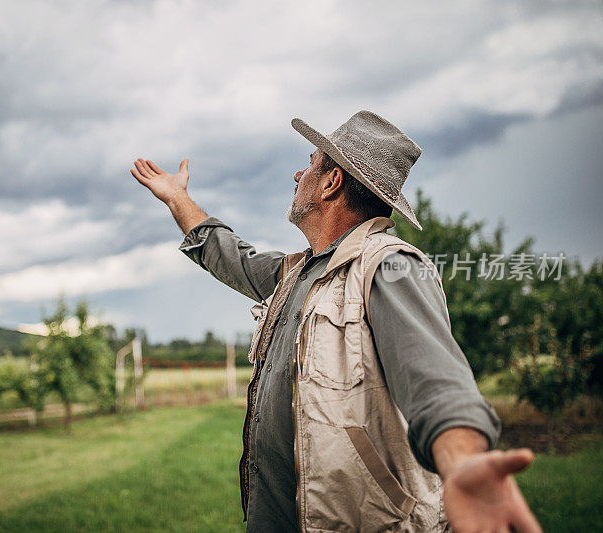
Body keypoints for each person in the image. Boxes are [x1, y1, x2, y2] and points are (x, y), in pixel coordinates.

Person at [130, 110, 542, 533]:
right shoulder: (297, 274)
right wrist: (178, 198)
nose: (297, 174)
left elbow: (437, 383)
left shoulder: (391, 265)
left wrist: (465, 464)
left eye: (310, 163)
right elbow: (229, 255)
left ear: (331, 182)